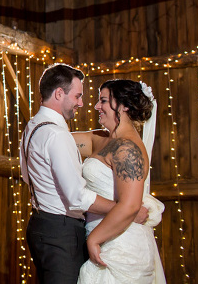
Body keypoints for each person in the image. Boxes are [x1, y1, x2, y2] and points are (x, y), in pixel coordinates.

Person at [21, 64, 121, 283]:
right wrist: (122, 210)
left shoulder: (32, 127)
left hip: (41, 225)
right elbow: (78, 197)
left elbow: (27, 177)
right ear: (59, 93)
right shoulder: (56, 135)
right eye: (77, 96)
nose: (81, 103)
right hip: (61, 233)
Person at [73, 79, 165, 283]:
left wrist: (95, 239)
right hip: (105, 241)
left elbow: (130, 205)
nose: (97, 106)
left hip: (123, 247)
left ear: (123, 106)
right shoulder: (101, 140)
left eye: (103, 101)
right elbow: (60, 141)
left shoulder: (127, 148)